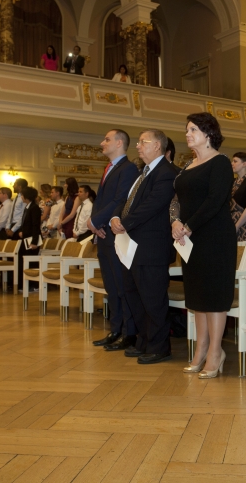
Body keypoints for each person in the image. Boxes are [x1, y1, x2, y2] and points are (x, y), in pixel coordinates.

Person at [171, 112, 235, 378]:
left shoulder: (220, 162)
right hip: (189, 239)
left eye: (193, 129)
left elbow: (215, 200)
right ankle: (201, 350)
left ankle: (215, 352)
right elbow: (176, 199)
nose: (188, 134)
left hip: (214, 237)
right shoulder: (188, 165)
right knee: (197, 298)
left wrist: (187, 225)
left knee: (214, 298)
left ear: (208, 133)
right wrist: (175, 221)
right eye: (187, 130)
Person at [110, 129, 178, 364]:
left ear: (158, 146)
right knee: (134, 296)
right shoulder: (143, 173)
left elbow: (152, 205)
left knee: (153, 298)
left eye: (143, 142)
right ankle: (144, 341)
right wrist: (115, 218)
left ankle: (160, 346)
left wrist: (124, 223)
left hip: (152, 247)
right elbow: (126, 201)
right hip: (133, 246)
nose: (138, 146)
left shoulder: (167, 173)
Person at [88, 130, 141, 349]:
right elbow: (102, 201)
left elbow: (121, 200)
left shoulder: (128, 168)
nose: (102, 142)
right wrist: (96, 224)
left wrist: (95, 221)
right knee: (111, 286)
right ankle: (116, 329)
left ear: (119, 143)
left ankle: (129, 333)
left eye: (107, 139)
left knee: (122, 286)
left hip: (116, 234)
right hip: (103, 234)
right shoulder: (109, 168)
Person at [17, 186, 42, 292]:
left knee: (31, 262)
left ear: (26, 196)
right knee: (23, 261)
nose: (21, 197)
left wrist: (34, 242)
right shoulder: (28, 207)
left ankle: (33, 285)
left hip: (32, 240)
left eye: (22, 195)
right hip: (26, 238)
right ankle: (25, 284)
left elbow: (36, 225)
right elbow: (27, 224)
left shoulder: (34, 208)